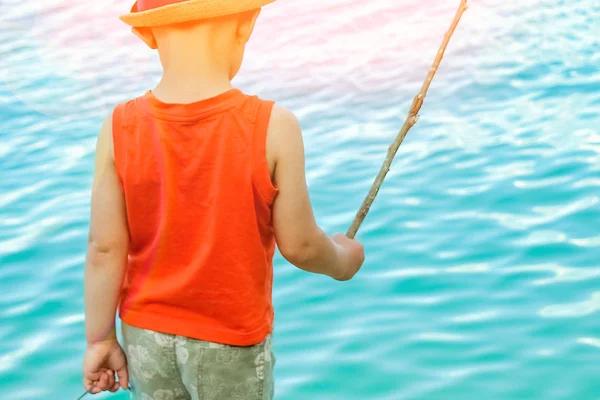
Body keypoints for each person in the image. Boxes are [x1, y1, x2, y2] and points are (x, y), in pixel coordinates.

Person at [82, 0, 365, 398]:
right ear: (246, 24)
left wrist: (100, 340)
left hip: (145, 333)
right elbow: (300, 245)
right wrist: (342, 260)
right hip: (230, 341)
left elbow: (104, 248)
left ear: (148, 34)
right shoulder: (273, 126)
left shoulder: (117, 127)